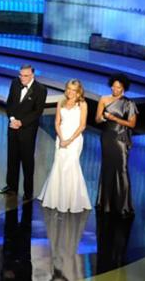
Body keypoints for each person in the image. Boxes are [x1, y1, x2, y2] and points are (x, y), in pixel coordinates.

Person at [38, 78, 92, 213]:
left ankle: (71, 200)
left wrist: (69, 140)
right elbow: (57, 122)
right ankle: (55, 198)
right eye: (68, 89)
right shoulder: (61, 101)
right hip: (61, 137)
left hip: (74, 139)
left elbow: (82, 125)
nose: (70, 92)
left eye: (73, 90)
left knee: (70, 167)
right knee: (59, 165)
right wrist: (61, 138)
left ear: (78, 92)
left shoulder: (82, 104)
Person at [0, 64, 47, 200]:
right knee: (12, 159)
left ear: (32, 75)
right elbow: (10, 103)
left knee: (27, 161)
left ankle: (28, 192)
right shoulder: (15, 83)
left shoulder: (40, 90)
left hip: (27, 131)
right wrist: (12, 119)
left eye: (25, 76)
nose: (22, 78)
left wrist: (22, 122)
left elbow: (37, 112)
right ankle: (11, 187)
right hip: (13, 127)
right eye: (21, 75)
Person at [95, 74, 138, 216]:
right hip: (107, 136)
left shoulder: (129, 103)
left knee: (122, 169)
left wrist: (114, 118)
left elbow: (132, 124)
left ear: (123, 88)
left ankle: (123, 205)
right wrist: (102, 118)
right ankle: (106, 203)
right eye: (113, 86)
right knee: (107, 168)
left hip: (121, 137)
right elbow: (97, 119)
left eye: (118, 87)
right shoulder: (104, 99)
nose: (115, 89)